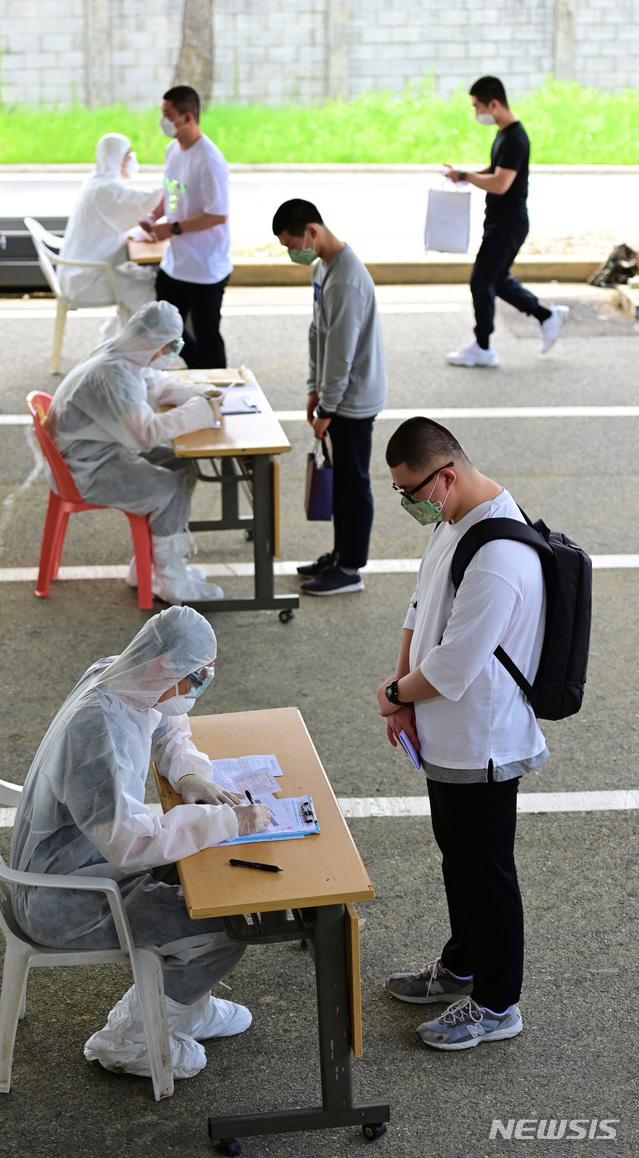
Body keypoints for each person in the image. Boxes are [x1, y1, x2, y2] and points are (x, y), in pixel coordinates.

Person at [10, 606, 271, 1080]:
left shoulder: (124, 677)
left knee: (204, 887)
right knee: (220, 930)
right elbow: (130, 846)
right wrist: (226, 822)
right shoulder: (98, 734)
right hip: (64, 898)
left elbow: (168, 723)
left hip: (85, 863)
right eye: (194, 677)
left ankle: (184, 1008)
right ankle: (129, 1039)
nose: (199, 686)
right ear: (160, 665)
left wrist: (189, 773)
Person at [377, 416, 548, 1050]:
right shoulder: (454, 522)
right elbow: (419, 608)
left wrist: (395, 695)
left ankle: (499, 1004)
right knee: (460, 861)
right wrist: (401, 695)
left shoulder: (500, 553)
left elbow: (453, 665)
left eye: (411, 493)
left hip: (484, 742)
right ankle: (462, 965)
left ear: (445, 477)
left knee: (487, 872)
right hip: (446, 737)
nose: (409, 505)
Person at [46, 299, 228, 604]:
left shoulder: (126, 354)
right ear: (148, 341)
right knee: (169, 488)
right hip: (84, 469)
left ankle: (152, 566)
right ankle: (173, 584)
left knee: (183, 463)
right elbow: (146, 435)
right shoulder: (113, 373)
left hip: (97, 453)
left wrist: (201, 394)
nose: (173, 353)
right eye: (170, 346)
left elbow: (157, 386)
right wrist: (201, 411)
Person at [272, 199, 387, 596]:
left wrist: (328, 406)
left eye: (293, 243)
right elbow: (316, 334)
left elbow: (341, 352)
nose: (293, 252)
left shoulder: (346, 280)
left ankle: (350, 568)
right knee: (340, 482)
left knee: (353, 484)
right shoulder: (322, 268)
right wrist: (312, 388)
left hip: (352, 401)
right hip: (336, 395)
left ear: (312, 232)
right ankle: (340, 554)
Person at [443, 76, 568, 367]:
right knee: (496, 280)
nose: (476, 114)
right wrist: (465, 173)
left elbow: (500, 183)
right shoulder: (504, 134)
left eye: (477, 107)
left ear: (494, 104)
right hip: (500, 220)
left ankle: (483, 347)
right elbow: (495, 169)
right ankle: (547, 316)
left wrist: (466, 177)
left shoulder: (515, 138)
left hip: (508, 222)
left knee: (481, 281)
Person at [140, 85, 231, 369]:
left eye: (168, 115)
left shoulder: (210, 161)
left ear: (188, 117)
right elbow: (172, 190)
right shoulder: (173, 150)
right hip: (175, 263)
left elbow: (218, 215)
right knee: (160, 326)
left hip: (205, 269)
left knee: (207, 336)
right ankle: (198, 369)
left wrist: (173, 228)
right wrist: (154, 216)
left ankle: (215, 385)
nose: (162, 120)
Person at [58, 133, 162, 330]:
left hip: (78, 270)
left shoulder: (95, 181)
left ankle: (120, 342)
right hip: (87, 279)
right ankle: (134, 348)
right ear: (117, 159)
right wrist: (177, 188)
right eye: (129, 156)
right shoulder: (107, 190)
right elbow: (147, 202)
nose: (132, 161)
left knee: (141, 282)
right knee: (150, 289)